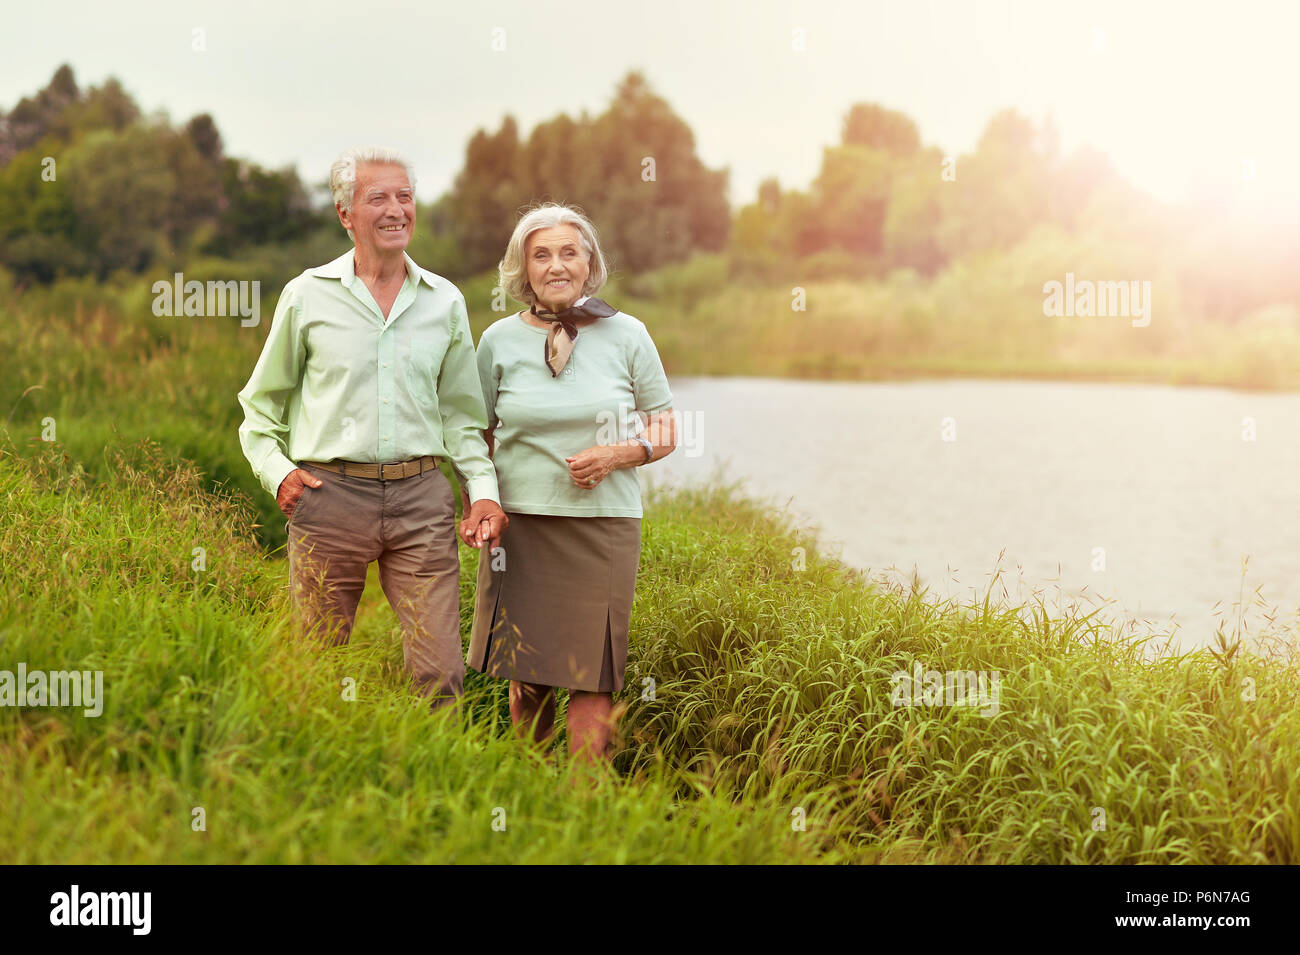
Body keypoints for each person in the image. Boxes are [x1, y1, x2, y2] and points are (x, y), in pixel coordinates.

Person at [237, 146, 507, 711]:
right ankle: (318, 778)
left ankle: (435, 787)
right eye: (376, 197)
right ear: (345, 214)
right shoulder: (306, 295)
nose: (395, 209)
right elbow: (260, 409)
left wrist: (481, 492)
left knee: (439, 671)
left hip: (422, 498)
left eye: (404, 197)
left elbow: (463, 417)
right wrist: (279, 474)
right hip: (328, 497)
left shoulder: (445, 301)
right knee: (317, 661)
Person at [465, 202, 677, 763]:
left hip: (603, 524)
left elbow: (666, 426)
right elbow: (474, 434)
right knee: (526, 667)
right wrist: (480, 499)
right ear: (523, 268)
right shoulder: (497, 341)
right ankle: (533, 785)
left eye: (568, 252)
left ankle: (585, 800)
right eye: (541, 254)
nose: (556, 265)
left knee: (594, 670)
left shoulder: (628, 334)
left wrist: (618, 454)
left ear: (589, 263)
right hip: (521, 526)